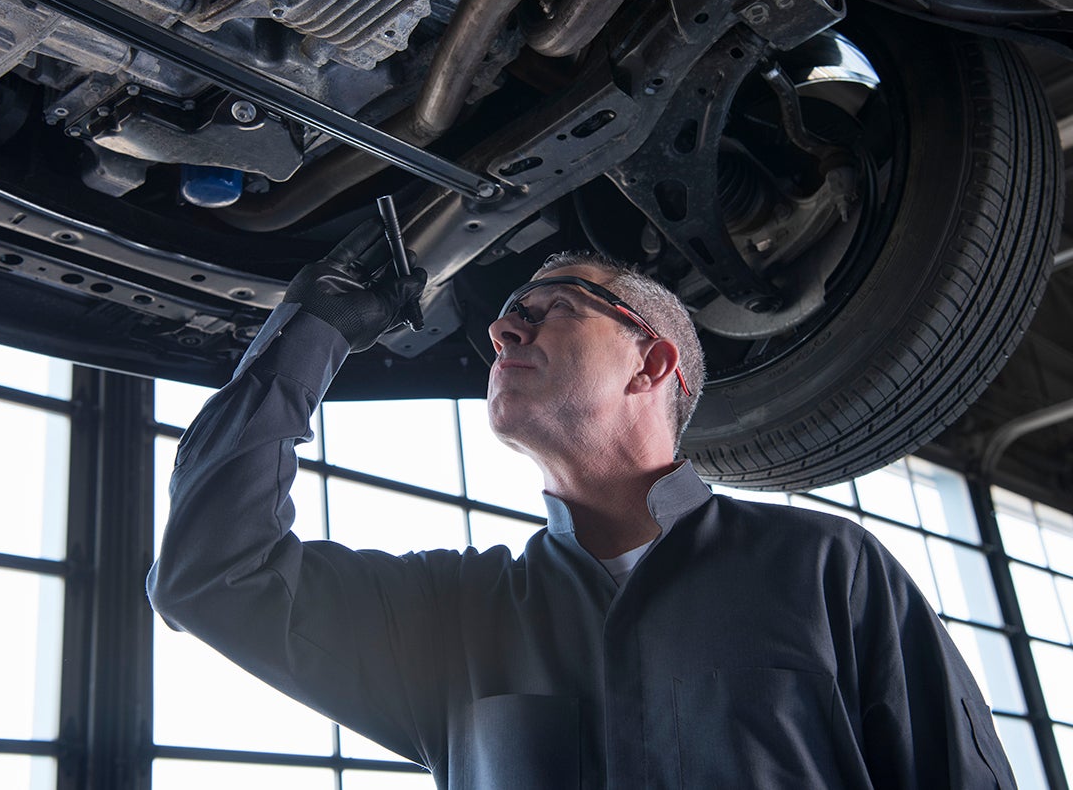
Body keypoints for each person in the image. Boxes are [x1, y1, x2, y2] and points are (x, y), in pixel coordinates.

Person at [147, 220, 1016, 789]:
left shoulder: (826, 569)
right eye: (505, 319)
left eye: (553, 307)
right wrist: (312, 333)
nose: (502, 329)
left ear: (652, 366)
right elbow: (210, 578)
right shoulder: (456, 622)